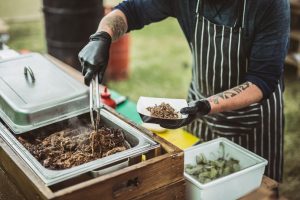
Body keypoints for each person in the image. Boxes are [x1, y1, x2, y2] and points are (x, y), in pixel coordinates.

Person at [78, 0, 290, 182]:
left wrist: (207, 106)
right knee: (202, 177)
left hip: (252, 118)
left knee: (257, 188)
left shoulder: (269, 4)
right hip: (199, 107)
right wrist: (102, 37)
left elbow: (262, 79)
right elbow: (131, 10)